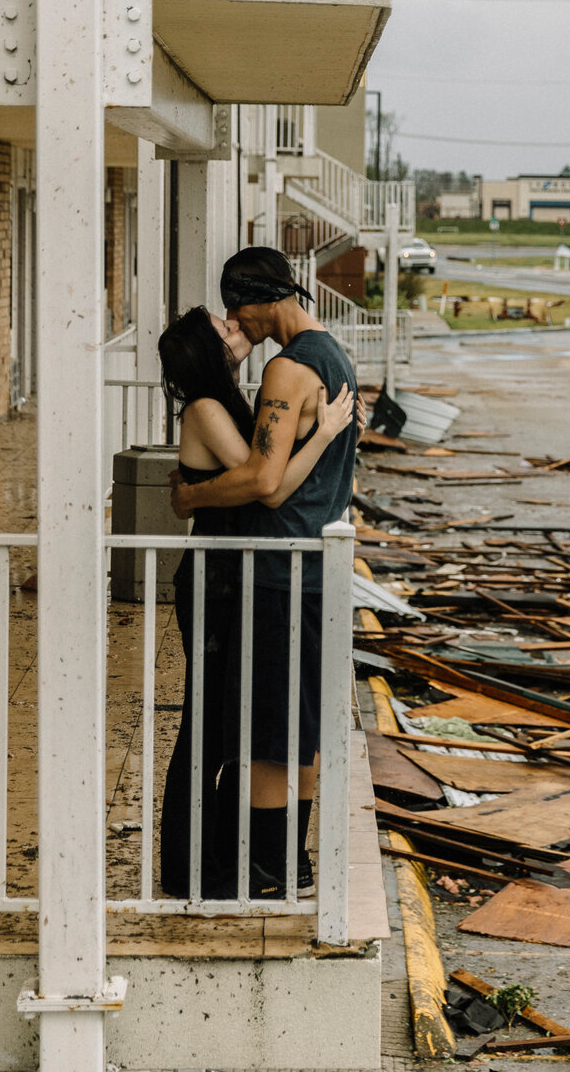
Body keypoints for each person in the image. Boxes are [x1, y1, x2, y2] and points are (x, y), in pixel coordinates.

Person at [169, 248, 362, 890]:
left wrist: (190, 496)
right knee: (298, 723)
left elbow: (265, 483)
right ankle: (295, 863)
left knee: (266, 732)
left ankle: (267, 865)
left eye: (236, 307)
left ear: (262, 298)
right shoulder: (336, 358)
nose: (235, 321)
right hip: (316, 567)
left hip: (276, 572)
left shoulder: (286, 368)